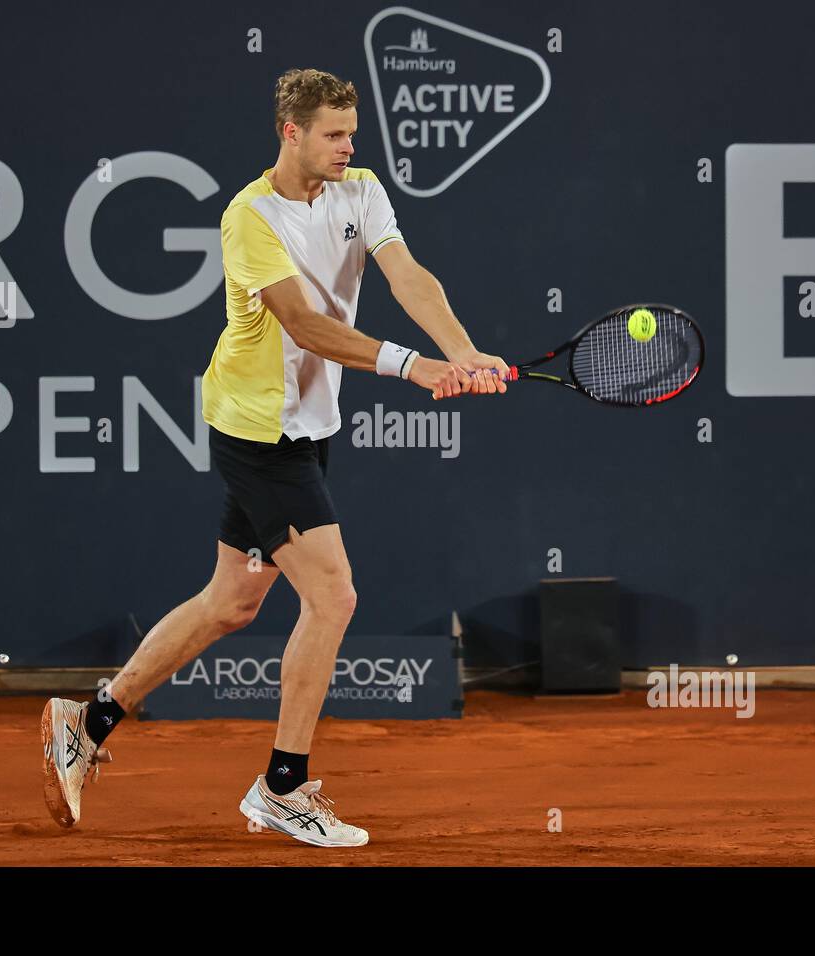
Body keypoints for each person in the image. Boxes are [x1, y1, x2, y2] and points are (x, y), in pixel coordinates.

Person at [41, 67, 507, 847]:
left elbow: (408, 276)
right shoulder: (248, 217)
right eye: (332, 134)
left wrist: (461, 351)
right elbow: (304, 325)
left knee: (232, 602)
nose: (347, 147)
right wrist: (413, 366)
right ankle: (282, 788)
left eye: (352, 134)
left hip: (307, 426)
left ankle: (84, 725)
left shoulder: (360, 190)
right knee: (333, 598)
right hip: (261, 433)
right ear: (289, 132)